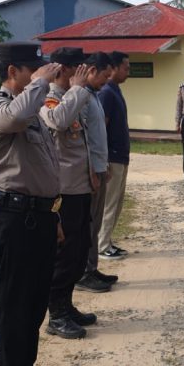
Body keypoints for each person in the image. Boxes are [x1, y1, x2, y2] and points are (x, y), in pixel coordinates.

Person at [0, 41, 67, 366]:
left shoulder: (30, 109)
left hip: (39, 216)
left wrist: (54, 214)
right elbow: (13, 120)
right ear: (12, 71)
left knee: (33, 303)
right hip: (13, 218)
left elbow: (45, 165)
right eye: (31, 69)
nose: (39, 74)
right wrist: (42, 82)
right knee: (15, 304)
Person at [41, 47, 97, 339]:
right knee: (65, 255)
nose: (83, 74)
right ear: (64, 69)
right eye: (79, 68)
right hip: (63, 191)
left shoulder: (71, 96)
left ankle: (67, 304)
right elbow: (58, 121)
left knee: (79, 251)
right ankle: (56, 314)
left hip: (79, 187)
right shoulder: (49, 98)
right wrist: (77, 90)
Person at [76, 52, 120, 293]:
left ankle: (92, 268)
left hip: (101, 168)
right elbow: (82, 138)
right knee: (89, 225)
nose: (106, 81)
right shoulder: (82, 97)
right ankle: (83, 273)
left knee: (95, 224)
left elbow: (99, 134)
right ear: (92, 70)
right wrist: (92, 169)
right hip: (90, 172)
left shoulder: (93, 95)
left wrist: (105, 164)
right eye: (104, 75)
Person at [97, 51, 131, 259]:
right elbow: (102, 126)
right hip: (112, 157)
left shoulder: (115, 90)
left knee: (117, 203)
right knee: (108, 204)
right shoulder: (106, 93)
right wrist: (105, 158)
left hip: (121, 156)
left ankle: (108, 241)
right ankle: (101, 245)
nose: (128, 72)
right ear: (115, 68)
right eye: (126, 68)